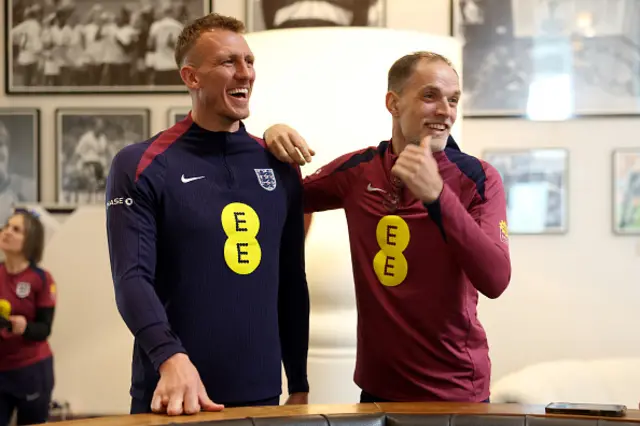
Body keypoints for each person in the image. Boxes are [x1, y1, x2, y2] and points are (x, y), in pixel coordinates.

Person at [263, 51, 512, 403]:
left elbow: (496, 279)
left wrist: (437, 197)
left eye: (453, 100)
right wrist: (270, 138)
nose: (446, 111)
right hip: (376, 392)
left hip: (455, 395)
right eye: (430, 96)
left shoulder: (478, 178)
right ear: (393, 103)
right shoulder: (358, 170)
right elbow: (283, 197)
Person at [105, 12, 310, 417]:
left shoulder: (280, 163)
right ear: (191, 77)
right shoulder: (141, 164)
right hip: (174, 395)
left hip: (263, 394)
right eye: (228, 62)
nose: (245, 73)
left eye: (249, 61)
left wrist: (299, 382)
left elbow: (290, 279)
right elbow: (131, 279)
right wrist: (169, 357)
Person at [0, 208, 56, 426]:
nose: (7, 232)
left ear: (30, 240)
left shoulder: (41, 279)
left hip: (31, 371)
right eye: (6, 227)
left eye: (16, 229)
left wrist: (24, 327)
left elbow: (44, 329)